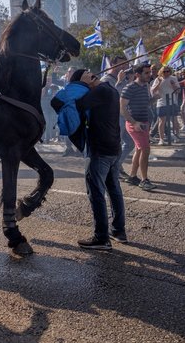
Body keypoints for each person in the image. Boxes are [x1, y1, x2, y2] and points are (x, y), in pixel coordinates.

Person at [71, 69, 126, 249]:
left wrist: (81, 85)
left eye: (88, 74)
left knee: (96, 192)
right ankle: (118, 230)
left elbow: (76, 105)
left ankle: (101, 237)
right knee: (113, 189)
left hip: (100, 150)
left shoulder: (99, 91)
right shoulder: (110, 89)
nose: (89, 74)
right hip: (113, 148)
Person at [120, 63, 156, 191]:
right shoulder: (129, 87)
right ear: (137, 74)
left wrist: (156, 97)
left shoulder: (145, 86)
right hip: (135, 124)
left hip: (144, 123)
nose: (149, 75)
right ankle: (144, 180)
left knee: (139, 149)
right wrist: (134, 123)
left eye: (149, 72)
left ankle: (133, 176)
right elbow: (122, 108)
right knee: (145, 149)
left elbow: (146, 103)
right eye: (146, 73)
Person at [150, 66, 181, 145]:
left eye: (168, 71)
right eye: (164, 71)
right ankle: (161, 139)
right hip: (161, 102)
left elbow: (178, 91)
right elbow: (153, 91)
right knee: (161, 121)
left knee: (174, 120)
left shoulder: (173, 78)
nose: (166, 73)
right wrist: (159, 83)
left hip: (172, 102)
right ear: (161, 72)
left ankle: (176, 136)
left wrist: (173, 85)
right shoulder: (157, 79)